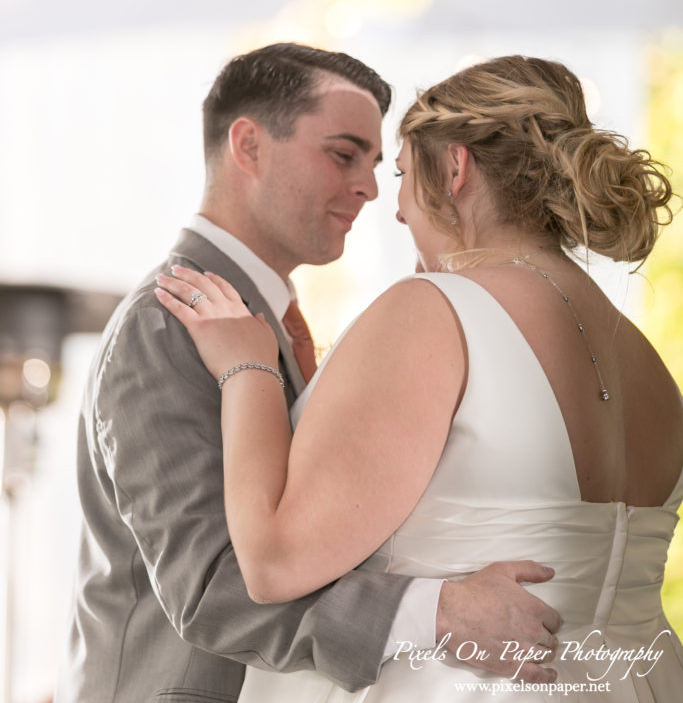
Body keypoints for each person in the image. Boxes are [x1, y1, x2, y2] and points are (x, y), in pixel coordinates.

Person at [157, 54, 683, 701]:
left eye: (402, 173)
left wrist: (249, 367)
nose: (398, 210)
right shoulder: (646, 361)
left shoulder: (431, 310)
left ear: (454, 167)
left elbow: (271, 563)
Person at [56, 45, 560, 703]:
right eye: (343, 153)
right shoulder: (166, 323)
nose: (370, 187)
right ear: (248, 145)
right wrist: (439, 613)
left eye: (377, 164)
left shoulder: (264, 320)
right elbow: (211, 587)